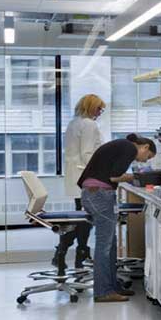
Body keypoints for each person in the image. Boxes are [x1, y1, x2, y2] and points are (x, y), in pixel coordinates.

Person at [78, 133, 156, 303]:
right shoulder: (129, 147)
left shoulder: (122, 145)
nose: (144, 161)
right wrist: (138, 177)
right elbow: (114, 177)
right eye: (147, 157)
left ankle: (112, 286)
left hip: (96, 194)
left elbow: (110, 174)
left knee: (110, 244)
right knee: (104, 246)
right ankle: (103, 291)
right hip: (99, 195)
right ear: (145, 147)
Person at [54, 93, 105, 272]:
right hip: (85, 177)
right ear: (90, 107)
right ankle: (69, 252)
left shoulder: (74, 122)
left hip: (75, 175)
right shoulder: (89, 124)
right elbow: (87, 154)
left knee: (82, 217)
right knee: (86, 218)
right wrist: (102, 174)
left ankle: (76, 254)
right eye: (98, 108)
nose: (100, 112)